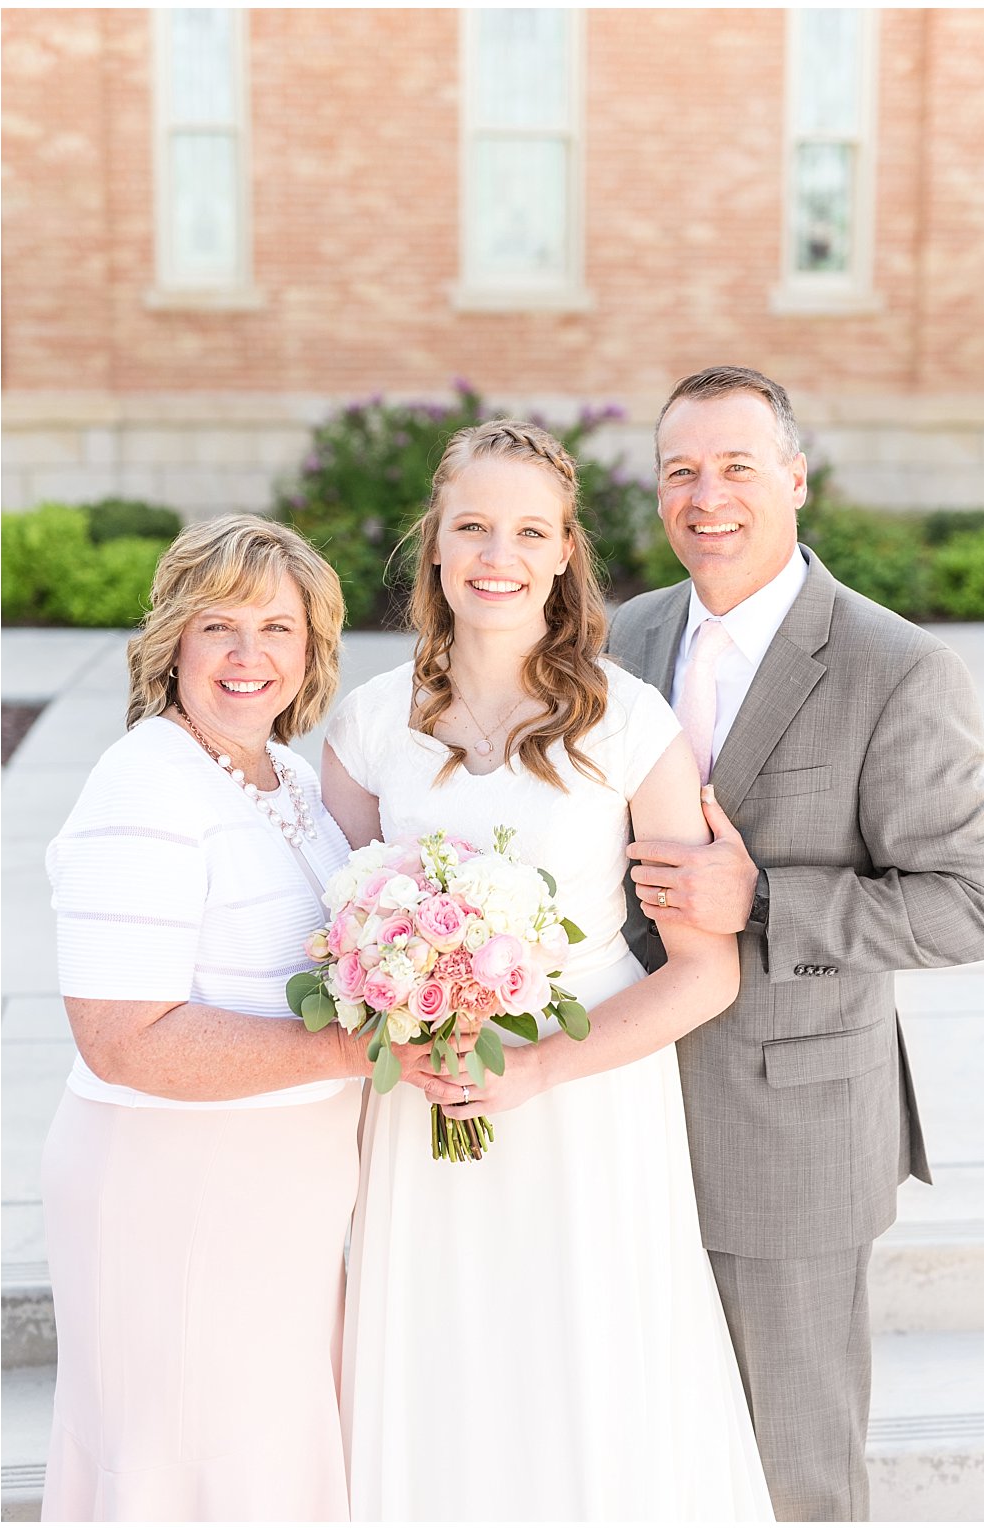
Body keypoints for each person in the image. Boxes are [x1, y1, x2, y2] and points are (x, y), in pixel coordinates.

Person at [322, 420, 772, 1520]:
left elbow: (703, 972)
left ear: (566, 552)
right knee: (443, 1353)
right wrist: (394, 1009)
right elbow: (324, 928)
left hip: (587, 1101)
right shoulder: (371, 725)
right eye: (471, 527)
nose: (496, 555)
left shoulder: (627, 721)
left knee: (588, 1361)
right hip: (423, 1097)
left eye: (529, 530)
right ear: (433, 546)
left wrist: (535, 1072)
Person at [609, 365, 984, 1521]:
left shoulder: (897, 669)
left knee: (794, 1477)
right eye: (679, 471)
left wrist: (770, 898)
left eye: (737, 465)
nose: (706, 495)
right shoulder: (626, 636)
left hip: (789, 1127)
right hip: (619, 1110)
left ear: (795, 477)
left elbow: (969, 907)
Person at [41, 516, 372, 1519]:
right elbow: (122, 1035)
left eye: (278, 628)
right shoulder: (145, 784)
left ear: (311, 650)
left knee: (263, 1466)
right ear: (172, 642)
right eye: (218, 625)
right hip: (176, 1193)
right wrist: (359, 1047)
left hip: (280, 1200)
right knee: (185, 1468)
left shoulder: (289, 780)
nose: (248, 655)